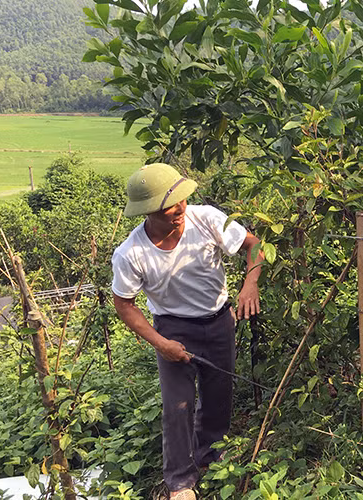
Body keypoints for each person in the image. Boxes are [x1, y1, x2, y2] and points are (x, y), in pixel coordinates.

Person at [111, 163, 263, 499]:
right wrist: (162, 343)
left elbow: (253, 246)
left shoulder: (206, 218)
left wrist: (250, 283)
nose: (179, 209)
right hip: (173, 327)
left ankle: (212, 451)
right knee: (177, 405)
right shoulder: (131, 253)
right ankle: (179, 480)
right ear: (148, 211)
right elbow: (124, 304)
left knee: (218, 393)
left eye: (181, 200)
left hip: (220, 320)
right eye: (169, 207)